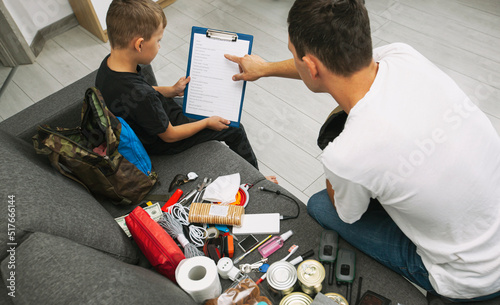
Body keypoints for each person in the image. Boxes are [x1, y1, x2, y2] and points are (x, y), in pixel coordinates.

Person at [225, 0, 500, 301]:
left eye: (294, 54)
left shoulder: (347, 154)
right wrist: (264, 68)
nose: (293, 58)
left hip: (473, 279)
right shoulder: (402, 54)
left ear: (312, 66)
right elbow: (330, 62)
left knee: (320, 206)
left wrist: (339, 166)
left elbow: (349, 214)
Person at [95, 0, 262, 172]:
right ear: (139, 45)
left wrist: (171, 91)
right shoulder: (143, 95)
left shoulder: (108, 65)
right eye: (158, 40)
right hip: (162, 140)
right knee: (235, 128)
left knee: (203, 106)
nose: (160, 45)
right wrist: (206, 123)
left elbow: (135, 96)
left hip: (150, 121)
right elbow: (170, 135)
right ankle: (258, 177)